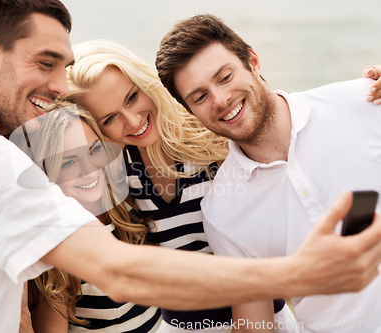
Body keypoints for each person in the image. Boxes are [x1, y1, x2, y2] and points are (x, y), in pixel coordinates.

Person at [0, 0, 381, 332]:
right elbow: (111, 271)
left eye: (61, 66)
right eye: (45, 62)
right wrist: (296, 272)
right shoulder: (27, 169)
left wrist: (363, 96)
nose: (57, 84)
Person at [155, 14, 381, 333]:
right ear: (191, 112)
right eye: (200, 97)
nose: (220, 100)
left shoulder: (365, 101)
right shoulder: (223, 212)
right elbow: (255, 324)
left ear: (253, 61)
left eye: (224, 76)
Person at [64, 40, 294, 333]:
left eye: (132, 97)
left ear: (145, 82)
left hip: (260, 320)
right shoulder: (114, 171)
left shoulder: (213, 132)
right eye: (110, 118)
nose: (133, 121)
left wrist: (367, 92)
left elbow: (281, 121)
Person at [20, 102, 162, 332]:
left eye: (94, 150)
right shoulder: (58, 248)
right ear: (47, 171)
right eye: (69, 161)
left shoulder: (125, 209)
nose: (90, 169)